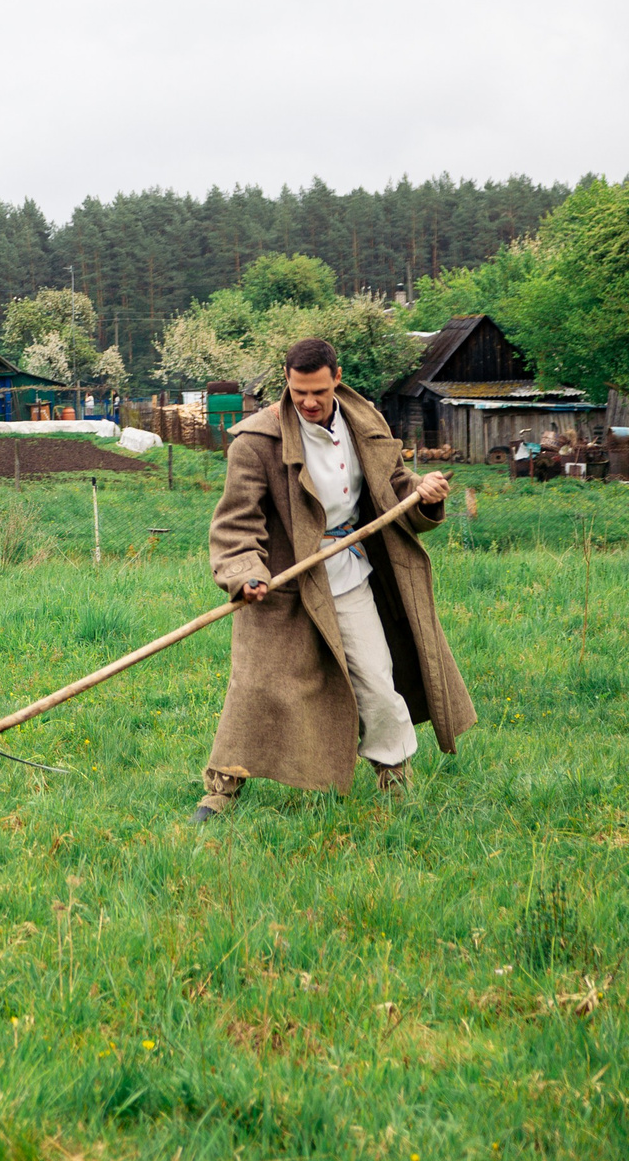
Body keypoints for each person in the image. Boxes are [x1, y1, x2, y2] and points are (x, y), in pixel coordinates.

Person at [194, 337, 469, 824]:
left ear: (336, 379)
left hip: (349, 571)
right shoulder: (258, 442)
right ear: (287, 382)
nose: (309, 402)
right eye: (299, 392)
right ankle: (221, 791)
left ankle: (395, 780)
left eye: (318, 391)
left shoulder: (367, 426)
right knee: (257, 687)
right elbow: (237, 523)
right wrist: (245, 574)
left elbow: (396, 488)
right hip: (285, 583)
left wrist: (423, 493)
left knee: (377, 681)